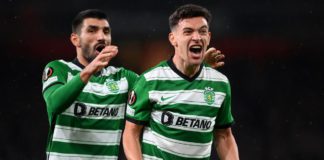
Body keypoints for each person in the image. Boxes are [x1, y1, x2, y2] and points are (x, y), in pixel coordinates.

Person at [42, 9, 225, 159]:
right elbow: (55, 104)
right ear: (75, 39)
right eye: (92, 30)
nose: (101, 36)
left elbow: (161, 85)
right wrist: (89, 70)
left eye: (106, 31)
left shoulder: (122, 78)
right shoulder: (59, 69)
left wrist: (198, 66)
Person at [123, 4, 239, 160]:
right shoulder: (150, 81)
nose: (197, 37)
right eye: (188, 32)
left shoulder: (220, 84)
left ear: (209, 37)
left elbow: (224, 136)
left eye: (202, 31)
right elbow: (131, 133)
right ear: (173, 39)